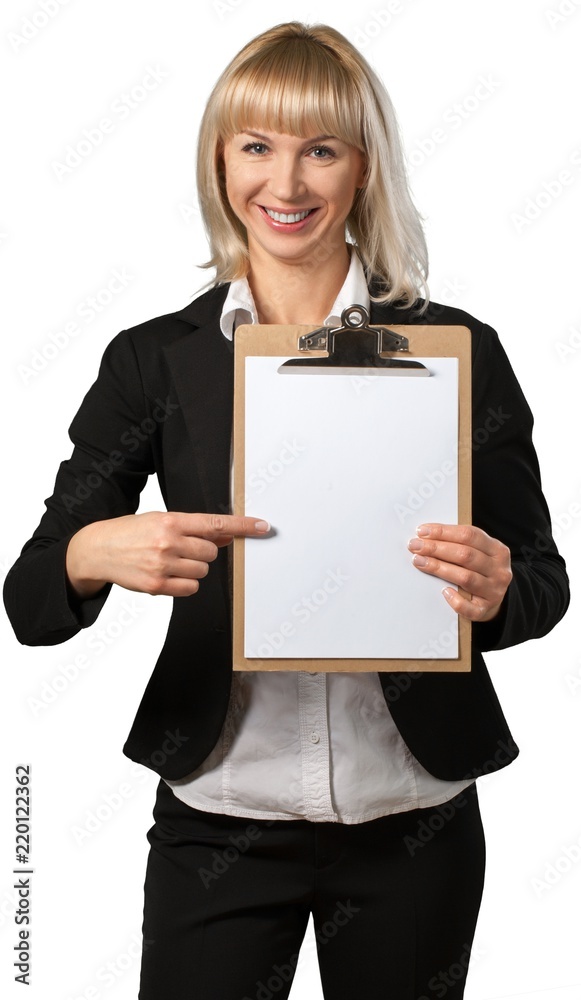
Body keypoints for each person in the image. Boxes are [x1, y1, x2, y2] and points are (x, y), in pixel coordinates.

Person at [3, 20, 569, 1000]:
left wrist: (498, 587)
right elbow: (30, 599)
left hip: (414, 818)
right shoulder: (156, 359)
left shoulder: (452, 348)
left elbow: (540, 583)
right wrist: (95, 549)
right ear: (219, 159)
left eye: (320, 148)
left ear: (363, 168)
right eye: (256, 145)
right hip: (218, 813)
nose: (286, 183)